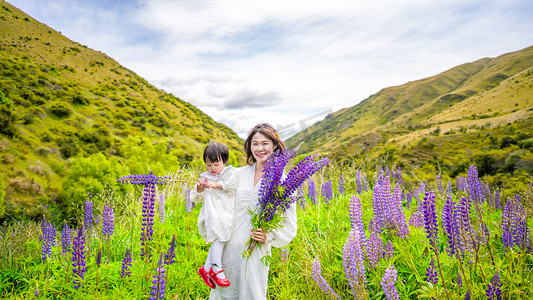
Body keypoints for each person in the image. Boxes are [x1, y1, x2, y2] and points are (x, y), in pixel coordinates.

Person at [210, 123, 298, 300]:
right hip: (228, 248)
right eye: (255, 143)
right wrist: (199, 190)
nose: (260, 148)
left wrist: (269, 235)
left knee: (251, 293)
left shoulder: (284, 182)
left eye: (265, 143)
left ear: (274, 145)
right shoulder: (237, 174)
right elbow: (213, 193)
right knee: (223, 294)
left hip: (255, 250)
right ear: (249, 146)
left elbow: (290, 225)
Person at [190, 142, 238, 289]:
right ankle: (216, 268)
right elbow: (195, 198)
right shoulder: (204, 178)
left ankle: (205, 268)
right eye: (209, 165)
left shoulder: (230, 173)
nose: (212, 169)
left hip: (228, 215)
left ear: (225, 161)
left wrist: (215, 185)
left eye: (216, 164)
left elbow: (231, 184)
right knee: (219, 237)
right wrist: (199, 189)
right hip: (212, 215)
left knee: (221, 238)